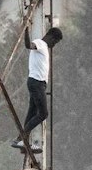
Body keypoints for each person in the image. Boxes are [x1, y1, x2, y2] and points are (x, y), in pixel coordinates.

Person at [11, 18, 63, 150]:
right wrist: (26, 29)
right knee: (43, 113)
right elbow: (29, 45)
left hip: (37, 83)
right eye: (55, 42)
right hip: (37, 83)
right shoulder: (40, 43)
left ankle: (22, 141)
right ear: (51, 37)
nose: (54, 45)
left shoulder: (43, 46)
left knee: (32, 112)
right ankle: (20, 138)